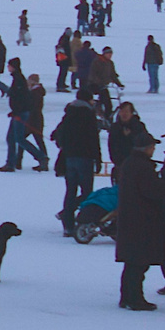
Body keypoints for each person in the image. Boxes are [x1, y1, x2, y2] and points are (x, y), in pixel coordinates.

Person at [112, 128, 165, 310]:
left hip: (129, 218)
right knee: (139, 263)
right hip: (142, 220)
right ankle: (136, 298)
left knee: (131, 263)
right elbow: (152, 192)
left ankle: (126, 296)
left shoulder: (129, 164)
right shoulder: (143, 167)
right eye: (153, 147)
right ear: (147, 148)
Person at [51, 94, 101, 236]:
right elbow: (93, 138)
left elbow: (58, 132)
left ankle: (68, 223)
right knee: (87, 192)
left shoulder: (69, 113)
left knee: (70, 191)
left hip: (69, 158)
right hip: (85, 157)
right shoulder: (88, 114)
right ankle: (81, 221)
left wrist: (62, 143)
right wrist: (98, 158)